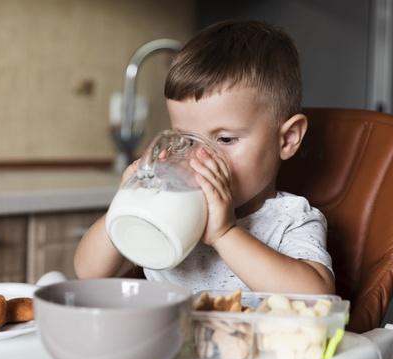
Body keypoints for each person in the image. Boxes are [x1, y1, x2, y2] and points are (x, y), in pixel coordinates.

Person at [74, 20, 334, 294]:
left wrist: (225, 234)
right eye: (186, 140)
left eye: (225, 139)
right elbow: (89, 273)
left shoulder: (289, 219)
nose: (200, 156)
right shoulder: (167, 205)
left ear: (288, 138)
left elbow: (318, 299)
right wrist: (125, 205)